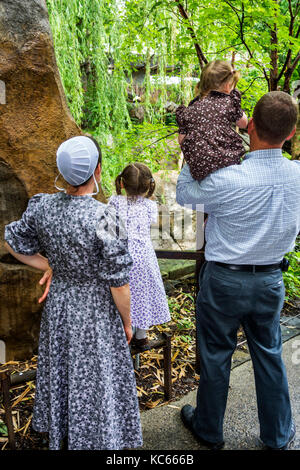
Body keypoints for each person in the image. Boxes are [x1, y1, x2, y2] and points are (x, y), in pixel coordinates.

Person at [176, 91, 300, 450]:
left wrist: (191, 148)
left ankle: (209, 429)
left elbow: (185, 194)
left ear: (250, 127)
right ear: (291, 133)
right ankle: (278, 436)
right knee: (269, 352)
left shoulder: (228, 179)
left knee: (216, 354)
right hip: (270, 280)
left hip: (224, 281)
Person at [4, 136, 143, 450]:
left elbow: (14, 242)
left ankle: (67, 433)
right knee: (98, 374)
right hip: (96, 310)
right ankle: (100, 437)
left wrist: (48, 264)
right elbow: (118, 281)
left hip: (60, 307)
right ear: (96, 170)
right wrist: (127, 321)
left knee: (65, 368)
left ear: (62, 171)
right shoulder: (107, 217)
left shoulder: (42, 206)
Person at [108, 162, 171, 350]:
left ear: (121, 183)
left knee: (121, 291)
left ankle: (122, 331)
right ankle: (141, 335)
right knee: (142, 293)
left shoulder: (114, 202)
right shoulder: (150, 206)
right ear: (149, 185)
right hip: (143, 256)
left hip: (120, 255)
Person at [176, 60, 248, 181]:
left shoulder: (189, 110)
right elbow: (243, 123)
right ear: (227, 85)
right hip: (228, 163)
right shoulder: (229, 102)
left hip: (200, 170)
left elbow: (181, 140)